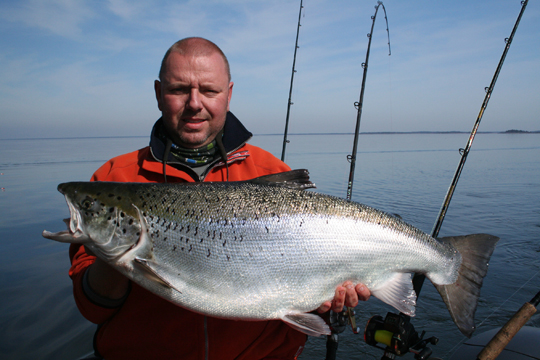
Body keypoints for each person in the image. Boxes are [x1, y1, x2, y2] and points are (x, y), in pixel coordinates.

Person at [69, 37, 370, 360]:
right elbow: (92, 307)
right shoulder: (115, 179)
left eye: (209, 91)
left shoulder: (271, 171)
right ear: (158, 94)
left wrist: (331, 300)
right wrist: (118, 249)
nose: (194, 103)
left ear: (228, 94)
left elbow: (315, 305)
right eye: (179, 89)